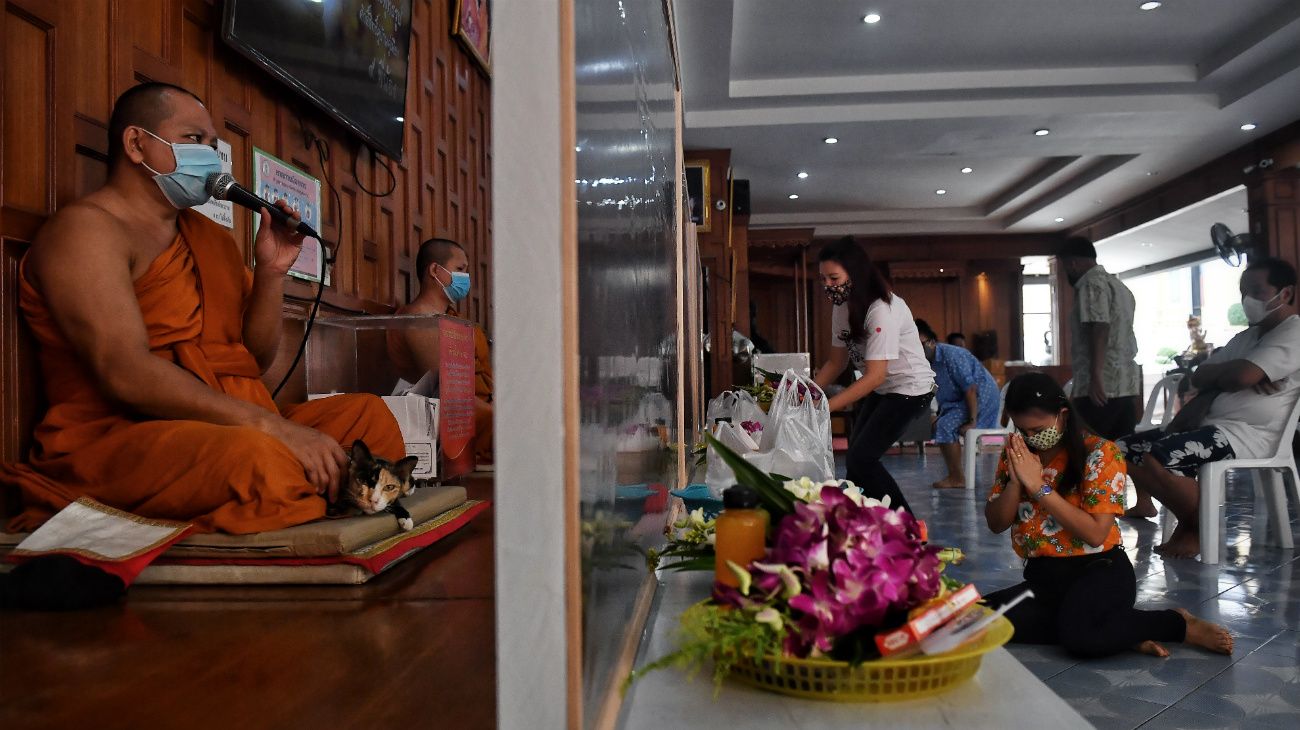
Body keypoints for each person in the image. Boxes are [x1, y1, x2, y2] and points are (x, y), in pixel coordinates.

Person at [0, 82, 405, 534]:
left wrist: (271, 272)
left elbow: (251, 361)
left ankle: (312, 489)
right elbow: (124, 372)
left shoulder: (210, 241)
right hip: (122, 433)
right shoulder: (86, 231)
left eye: (214, 145)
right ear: (137, 144)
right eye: (194, 140)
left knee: (372, 419)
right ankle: (318, 490)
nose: (210, 156)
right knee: (261, 463)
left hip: (228, 417)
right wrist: (272, 430)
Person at [983, 373, 1233, 658]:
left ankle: (1176, 623)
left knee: (1081, 638)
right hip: (1044, 578)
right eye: (1022, 430)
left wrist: (1038, 486)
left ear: (1062, 415)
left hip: (1098, 572)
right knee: (975, 619)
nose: (1031, 438)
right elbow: (996, 523)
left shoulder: (1101, 453)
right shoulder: (1017, 452)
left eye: (1038, 429)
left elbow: (1094, 533)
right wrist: (1017, 481)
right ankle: (1122, 630)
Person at [1117, 258, 1300, 557]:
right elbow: (1199, 376)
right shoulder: (1247, 338)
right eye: (1243, 291)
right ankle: (1174, 514)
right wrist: (1230, 376)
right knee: (1122, 449)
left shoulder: (1293, 333)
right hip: (1209, 425)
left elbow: (1242, 375)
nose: (1247, 299)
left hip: (1248, 434)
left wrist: (1238, 374)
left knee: (1163, 456)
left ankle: (1199, 528)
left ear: (1287, 294)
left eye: (1256, 290)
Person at [813, 237, 935, 514]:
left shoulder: (882, 309)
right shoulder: (841, 307)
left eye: (833, 278)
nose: (828, 286)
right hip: (885, 389)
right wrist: (807, 392)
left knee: (862, 459)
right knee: (856, 461)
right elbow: (836, 361)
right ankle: (871, 522)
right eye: (823, 279)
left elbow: (875, 376)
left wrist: (823, 407)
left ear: (855, 274)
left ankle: (909, 529)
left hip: (910, 389)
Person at [387, 238, 495, 468]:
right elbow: (450, 396)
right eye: (460, 269)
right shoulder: (418, 321)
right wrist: (501, 419)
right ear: (435, 270)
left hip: (480, 410)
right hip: (451, 426)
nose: (466, 278)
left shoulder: (449, 319)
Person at [1059, 236, 1141, 440]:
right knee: (1120, 450)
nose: (1067, 272)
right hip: (1124, 385)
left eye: (1065, 266)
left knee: (1088, 447)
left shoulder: (1091, 284)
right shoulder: (1119, 286)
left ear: (1073, 263)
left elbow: (1100, 326)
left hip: (1100, 387)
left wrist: (1096, 376)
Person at [915, 319, 1001, 489]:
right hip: (959, 403)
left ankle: (957, 477)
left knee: (945, 425)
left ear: (932, 342)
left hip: (980, 398)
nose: (915, 349)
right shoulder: (927, 362)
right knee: (939, 424)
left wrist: (972, 421)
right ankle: (954, 474)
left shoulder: (952, 355)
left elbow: (970, 389)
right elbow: (936, 390)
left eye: (920, 344)